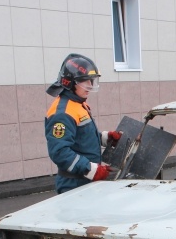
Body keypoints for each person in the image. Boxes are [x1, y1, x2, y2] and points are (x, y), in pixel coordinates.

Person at [45, 53, 122, 194]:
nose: (90, 86)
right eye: (85, 81)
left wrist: (106, 138)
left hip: (86, 181)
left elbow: (82, 137)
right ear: (70, 82)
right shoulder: (62, 113)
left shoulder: (79, 104)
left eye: (92, 81)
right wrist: (90, 169)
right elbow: (60, 152)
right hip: (73, 183)